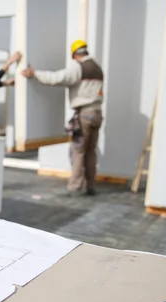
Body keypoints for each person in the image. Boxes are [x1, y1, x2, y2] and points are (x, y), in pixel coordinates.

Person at [22, 39, 104, 196]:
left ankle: (75, 187)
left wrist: (35, 74)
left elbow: (58, 78)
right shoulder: (97, 68)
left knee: (78, 151)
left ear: (75, 54)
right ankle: (91, 186)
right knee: (91, 151)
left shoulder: (80, 68)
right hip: (97, 113)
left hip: (84, 114)